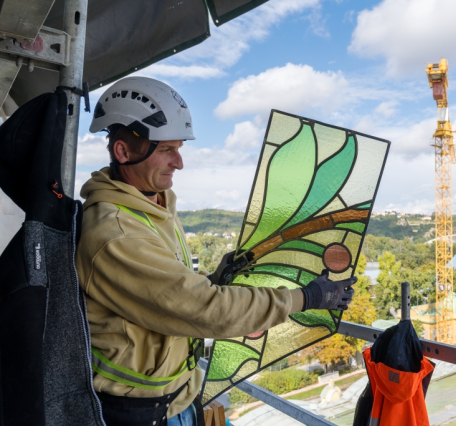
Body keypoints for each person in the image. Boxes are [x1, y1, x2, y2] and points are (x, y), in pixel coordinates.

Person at [76, 77, 356, 426]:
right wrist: (305, 298)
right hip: (135, 413)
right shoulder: (114, 233)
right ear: (123, 151)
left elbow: (169, 293)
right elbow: (204, 310)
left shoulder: (152, 206)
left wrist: (215, 278)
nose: (179, 162)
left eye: (179, 148)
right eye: (166, 150)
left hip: (178, 398)